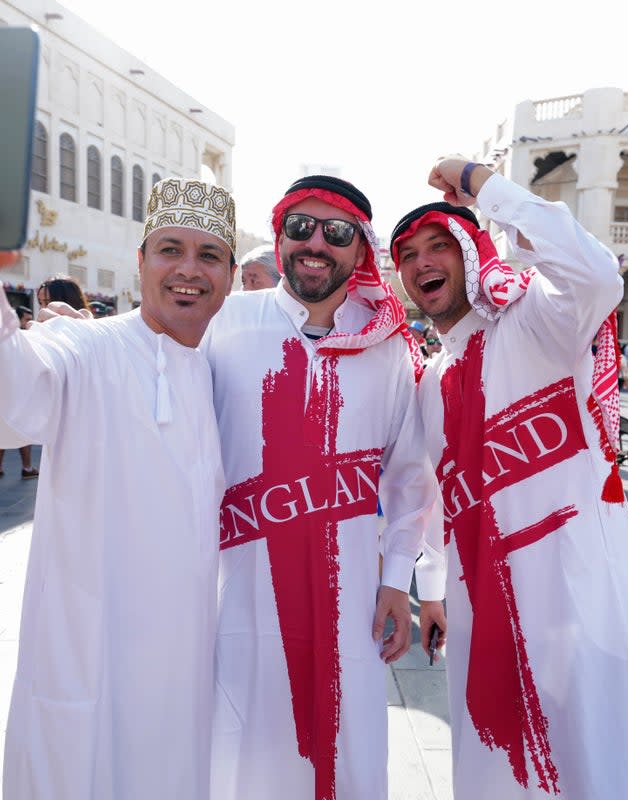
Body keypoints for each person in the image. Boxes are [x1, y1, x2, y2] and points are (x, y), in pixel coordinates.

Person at [0, 137, 235, 798]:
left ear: (230, 275)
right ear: (141, 263)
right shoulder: (84, 345)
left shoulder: (226, 369)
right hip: (90, 662)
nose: (189, 270)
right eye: (170, 251)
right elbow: (4, 390)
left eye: (209, 254)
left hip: (186, 671)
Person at [391, 158, 628, 799]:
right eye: (408, 254)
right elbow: (433, 497)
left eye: (440, 245)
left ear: (472, 252)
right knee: (499, 773)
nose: (423, 261)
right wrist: (431, 588)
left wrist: (485, 183)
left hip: (579, 597)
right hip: (482, 606)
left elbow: (596, 273)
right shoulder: (431, 380)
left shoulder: (539, 325)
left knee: (596, 767)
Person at [202, 175, 434, 800]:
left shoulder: (386, 345)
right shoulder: (224, 323)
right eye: (300, 228)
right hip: (239, 583)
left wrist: (397, 578)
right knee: (243, 744)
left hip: (351, 590)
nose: (316, 244)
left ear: (361, 252)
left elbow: (409, 472)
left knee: (342, 744)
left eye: (337, 233)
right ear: (279, 239)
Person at [0, 306, 37, 480]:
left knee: (1, 430)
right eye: (26, 319)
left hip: (2, 392)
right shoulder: (20, 338)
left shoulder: (1, 338)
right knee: (23, 431)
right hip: (18, 392)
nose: (29, 322)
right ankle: (27, 467)